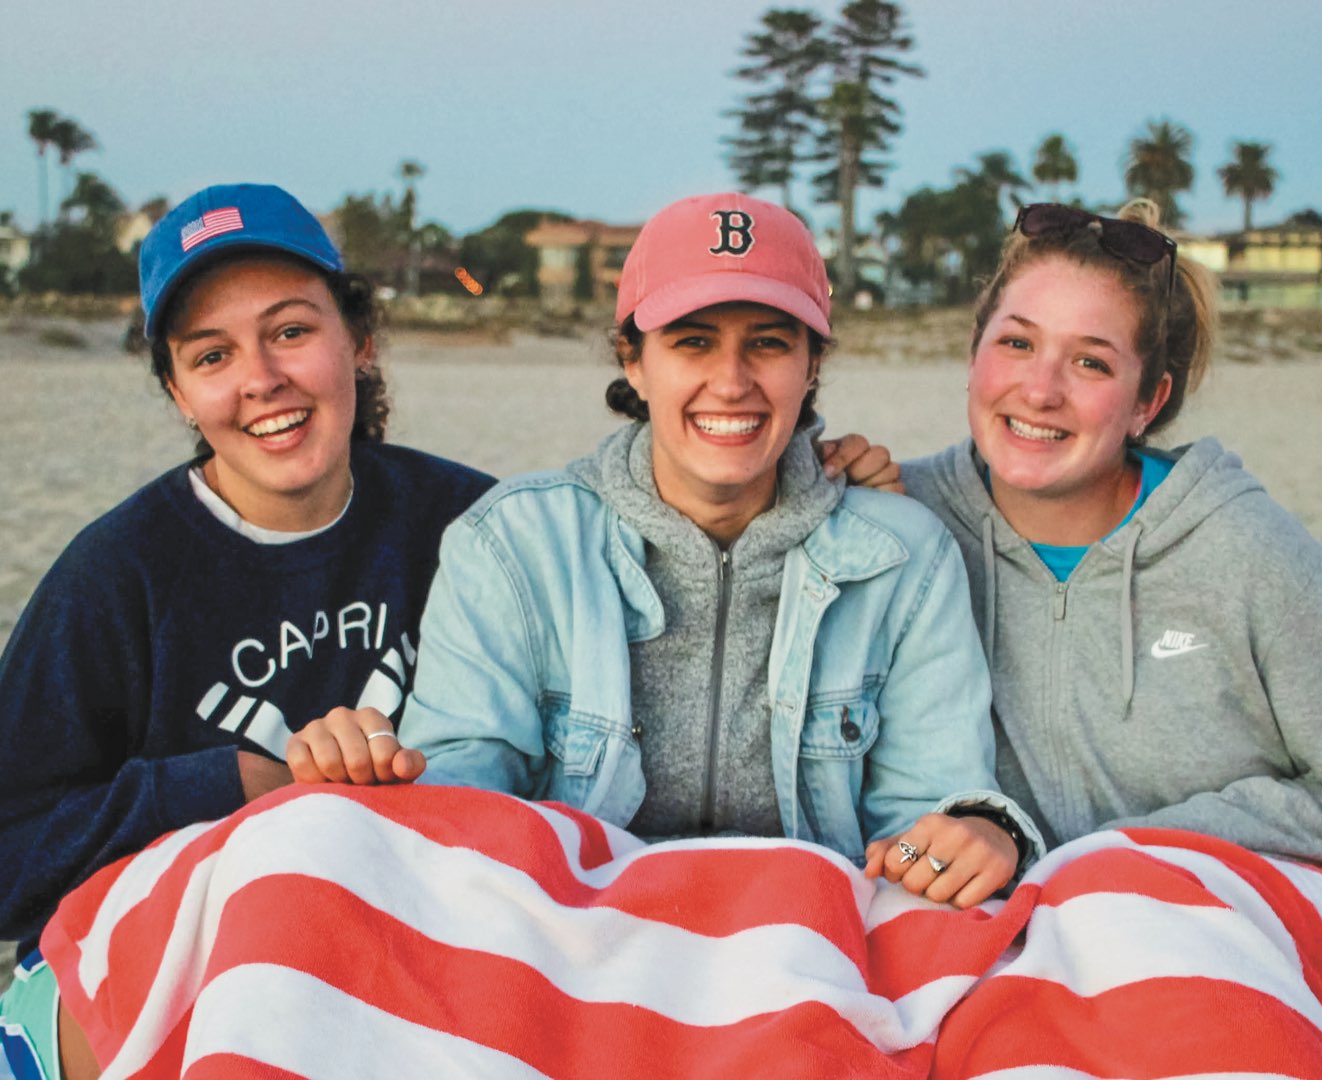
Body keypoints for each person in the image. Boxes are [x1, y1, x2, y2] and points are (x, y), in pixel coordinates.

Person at [289, 192, 1043, 906]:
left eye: (770, 344)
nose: (732, 381)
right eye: (692, 342)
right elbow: (466, 782)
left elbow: (922, 817)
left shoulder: (905, 558)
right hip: (577, 947)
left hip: (812, 950)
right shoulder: (514, 543)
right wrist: (379, 775)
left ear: (812, 365)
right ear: (633, 360)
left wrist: (976, 832)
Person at [0, 183, 499, 1078]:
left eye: (292, 332)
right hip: (162, 974)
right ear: (179, 393)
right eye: (212, 355)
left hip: (408, 955)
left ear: (360, 341)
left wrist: (827, 471)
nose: (261, 379)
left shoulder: (468, 522)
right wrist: (238, 781)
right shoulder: (117, 575)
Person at [900, 200, 1322, 864]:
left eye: (1092, 363)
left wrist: (1128, 850)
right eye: (1017, 343)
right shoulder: (901, 522)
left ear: (1149, 402)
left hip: (1201, 930)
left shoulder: (1248, 549)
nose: (1040, 391)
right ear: (974, 356)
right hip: (1004, 946)